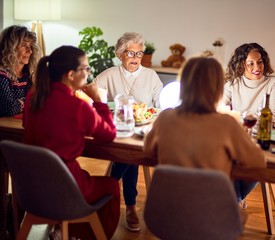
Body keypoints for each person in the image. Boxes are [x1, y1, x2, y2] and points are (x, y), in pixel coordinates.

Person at [23, 45, 120, 240]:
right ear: (70, 74)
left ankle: (66, 232)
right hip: (66, 189)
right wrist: (100, 102)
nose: (88, 73)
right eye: (85, 68)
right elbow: (109, 135)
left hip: (33, 188)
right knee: (111, 185)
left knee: (83, 174)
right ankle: (87, 235)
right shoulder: (77, 107)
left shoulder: (33, 97)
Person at [144, 56, 266, 191]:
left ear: (183, 84)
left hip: (165, 207)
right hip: (211, 208)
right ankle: (236, 199)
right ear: (218, 88)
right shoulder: (227, 124)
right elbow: (258, 161)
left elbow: (148, 150)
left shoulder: (164, 118)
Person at [94, 32, 163, 232]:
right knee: (127, 152)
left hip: (144, 130)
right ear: (120, 54)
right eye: (130, 53)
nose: (135, 58)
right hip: (118, 130)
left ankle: (110, 189)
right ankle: (128, 204)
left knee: (129, 154)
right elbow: (91, 91)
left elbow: (161, 103)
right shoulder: (109, 74)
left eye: (139, 54)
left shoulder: (151, 76)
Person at [223, 42, 275, 209]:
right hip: (240, 136)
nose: (257, 67)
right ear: (241, 65)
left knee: (255, 157)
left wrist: (239, 119)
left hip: (265, 136)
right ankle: (234, 201)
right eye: (250, 63)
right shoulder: (232, 84)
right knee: (224, 153)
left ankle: (233, 201)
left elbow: (274, 114)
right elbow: (218, 109)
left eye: (260, 61)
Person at [0, 25, 40, 117]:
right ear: (10, 48)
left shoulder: (28, 74)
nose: (29, 51)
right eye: (23, 45)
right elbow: (9, 109)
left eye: (30, 45)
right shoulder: (2, 76)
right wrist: (31, 100)